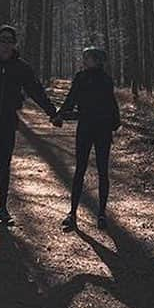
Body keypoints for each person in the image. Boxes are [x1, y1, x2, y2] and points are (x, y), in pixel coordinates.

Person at [0, 24, 58, 226]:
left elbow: (36, 91)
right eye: (3, 40)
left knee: (4, 167)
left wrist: (52, 112)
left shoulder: (21, 68)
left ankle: (2, 208)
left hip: (7, 123)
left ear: (15, 44)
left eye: (10, 41)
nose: (6, 44)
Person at [55, 46, 120, 231]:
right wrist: (59, 114)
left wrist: (115, 122)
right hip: (85, 129)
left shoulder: (106, 80)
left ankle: (101, 214)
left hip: (103, 130)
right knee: (79, 170)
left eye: (88, 58)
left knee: (102, 171)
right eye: (84, 57)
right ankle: (72, 213)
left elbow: (111, 102)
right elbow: (70, 99)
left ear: (98, 60)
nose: (84, 60)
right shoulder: (80, 78)